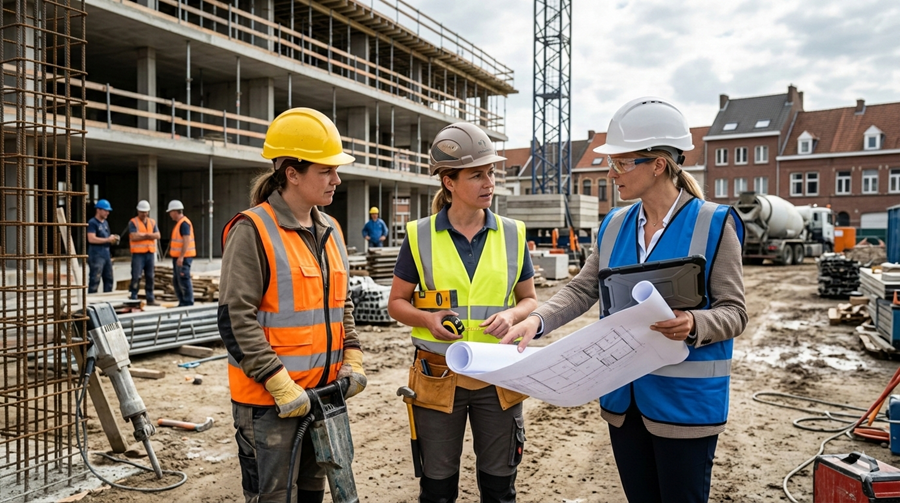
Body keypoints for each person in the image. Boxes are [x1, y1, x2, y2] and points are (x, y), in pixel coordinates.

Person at [501, 97, 747, 503]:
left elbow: (734, 312)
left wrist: (695, 323)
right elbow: (583, 288)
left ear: (658, 164)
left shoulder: (714, 223)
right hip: (624, 400)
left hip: (685, 407)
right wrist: (536, 321)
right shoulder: (614, 224)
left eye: (620, 163)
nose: (611, 172)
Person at [218, 107, 367, 503]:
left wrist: (352, 356)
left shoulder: (330, 229)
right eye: (326, 170)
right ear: (291, 173)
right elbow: (236, 318)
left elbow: (341, 303)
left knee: (311, 493)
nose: (337, 179)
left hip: (322, 394)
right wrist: (277, 382)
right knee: (273, 497)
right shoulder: (252, 229)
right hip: (270, 403)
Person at [387, 122, 538, 503]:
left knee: (499, 488)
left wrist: (513, 317)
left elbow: (530, 300)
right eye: (477, 175)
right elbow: (397, 302)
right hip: (438, 376)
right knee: (437, 490)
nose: (489, 182)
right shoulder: (419, 236)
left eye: (490, 173)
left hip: (499, 377)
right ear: (449, 182)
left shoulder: (513, 234)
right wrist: (426, 320)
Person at [129, 200, 160, 305]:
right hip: (138, 254)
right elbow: (134, 236)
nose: (144, 214)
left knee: (150, 276)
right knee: (136, 276)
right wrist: (148, 235)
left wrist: (143, 235)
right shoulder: (133, 222)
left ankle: (150, 298)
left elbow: (157, 235)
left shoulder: (152, 222)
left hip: (150, 253)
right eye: (142, 212)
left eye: (146, 212)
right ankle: (133, 297)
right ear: (138, 211)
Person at [166, 199, 195, 306]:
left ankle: (188, 302)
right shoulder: (180, 224)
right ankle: (183, 302)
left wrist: (181, 257)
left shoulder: (184, 224)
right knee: (177, 280)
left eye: (170, 212)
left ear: (175, 211)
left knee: (183, 279)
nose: (170, 214)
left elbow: (186, 240)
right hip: (179, 257)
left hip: (183, 257)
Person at [87, 199, 118, 293]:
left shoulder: (105, 223)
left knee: (109, 279)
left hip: (106, 254)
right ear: (98, 210)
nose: (107, 213)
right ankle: (92, 301)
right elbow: (91, 238)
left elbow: (106, 237)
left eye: (108, 211)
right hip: (96, 255)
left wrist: (112, 239)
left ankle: (107, 301)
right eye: (105, 210)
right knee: (95, 279)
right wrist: (107, 240)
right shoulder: (92, 223)